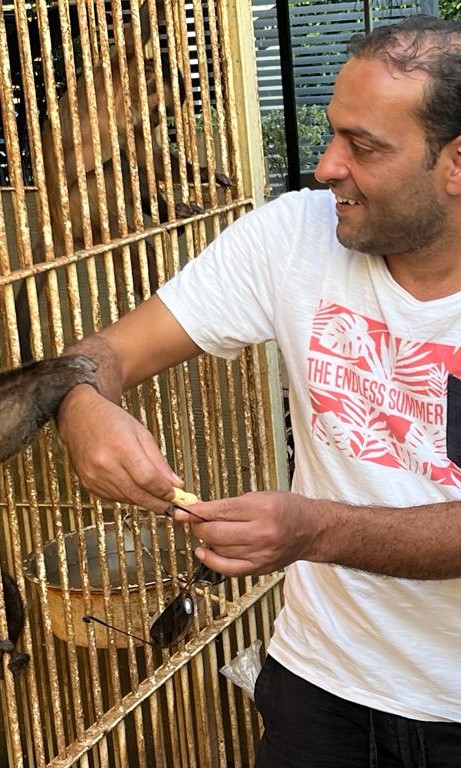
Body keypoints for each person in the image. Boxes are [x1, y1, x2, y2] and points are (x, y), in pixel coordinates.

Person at [56, 14, 461, 767]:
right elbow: (103, 352)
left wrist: (315, 531)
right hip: (320, 682)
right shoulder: (293, 237)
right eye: (332, 133)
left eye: (364, 146)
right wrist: (84, 406)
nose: (326, 166)